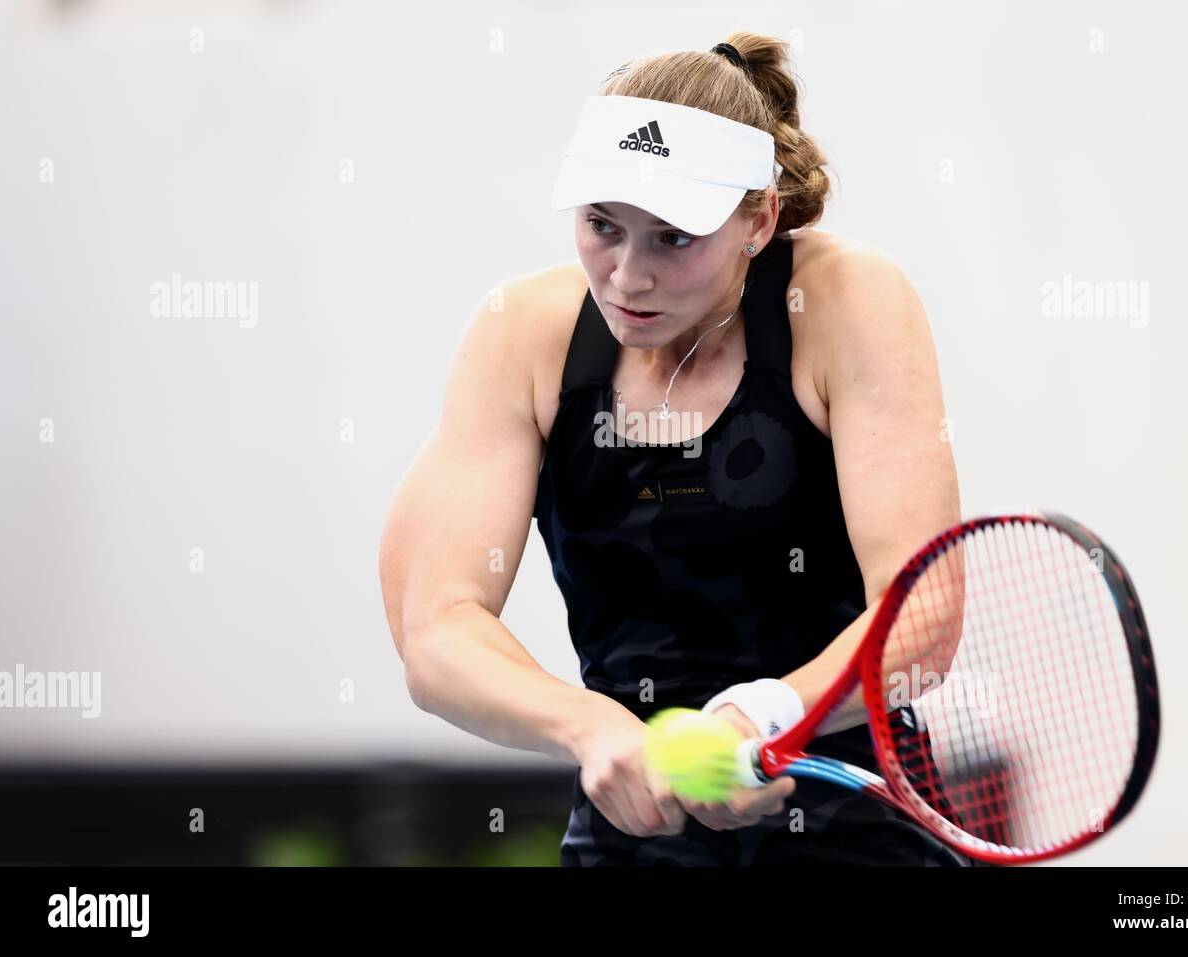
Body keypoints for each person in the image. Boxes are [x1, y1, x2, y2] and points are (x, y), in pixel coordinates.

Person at [379, 32, 966, 865]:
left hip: (857, 826)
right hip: (630, 836)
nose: (626, 276)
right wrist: (594, 728)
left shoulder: (844, 302)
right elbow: (436, 633)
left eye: (673, 238)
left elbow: (923, 614)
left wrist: (759, 716)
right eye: (602, 226)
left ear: (759, 219)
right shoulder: (523, 335)